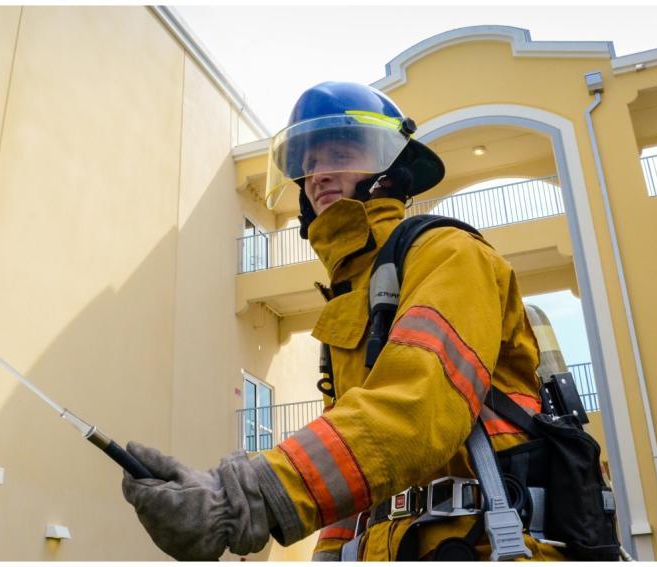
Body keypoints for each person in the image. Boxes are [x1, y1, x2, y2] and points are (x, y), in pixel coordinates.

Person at [122, 81, 565, 561]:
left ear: (389, 165)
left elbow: (413, 410)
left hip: (483, 543)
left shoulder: (448, 255)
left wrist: (242, 497)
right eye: (308, 164)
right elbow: (355, 465)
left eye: (338, 154)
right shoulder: (353, 294)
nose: (317, 175)